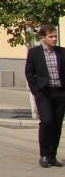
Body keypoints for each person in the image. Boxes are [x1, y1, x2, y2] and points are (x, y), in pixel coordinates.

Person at [25, 24, 65, 168]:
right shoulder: (34, 53)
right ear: (43, 37)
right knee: (47, 121)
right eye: (51, 36)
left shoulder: (61, 52)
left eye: (55, 36)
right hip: (44, 94)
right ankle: (44, 155)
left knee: (57, 124)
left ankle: (52, 156)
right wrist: (36, 91)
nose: (54, 39)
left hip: (60, 93)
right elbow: (29, 73)